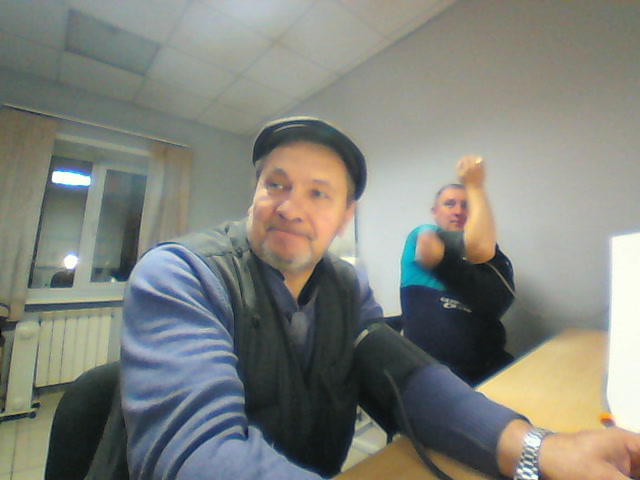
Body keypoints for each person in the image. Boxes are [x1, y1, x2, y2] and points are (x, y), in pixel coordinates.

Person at [120, 117, 640, 480]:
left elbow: (411, 383)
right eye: (276, 185)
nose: (291, 207)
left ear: (344, 217)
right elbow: (195, 455)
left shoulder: (346, 288)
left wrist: (540, 450)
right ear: (254, 194)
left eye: (318, 192)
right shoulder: (181, 275)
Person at [400, 156, 515, 385]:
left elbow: (499, 302)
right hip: (435, 379)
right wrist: (475, 186)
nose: (458, 211)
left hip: (490, 371)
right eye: (449, 204)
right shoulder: (423, 236)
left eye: (466, 205)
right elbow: (478, 248)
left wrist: (449, 264)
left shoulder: (493, 255)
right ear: (435, 211)